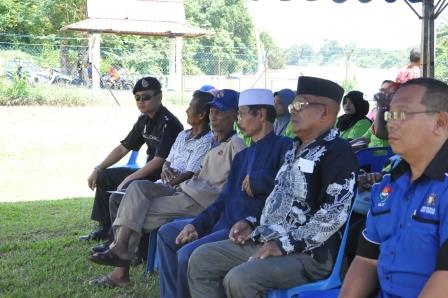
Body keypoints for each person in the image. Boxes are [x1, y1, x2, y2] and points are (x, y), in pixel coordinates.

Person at [188, 76, 358, 298]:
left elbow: (333, 216)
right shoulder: (293, 149)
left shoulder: (338, 152)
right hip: (269, 238)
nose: (292, 111)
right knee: (201, 259)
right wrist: (250, 223)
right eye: (292, 105)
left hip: (309, 254)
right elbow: (277, 200)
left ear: (324, 112)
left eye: (299, 105)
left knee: (240, 279)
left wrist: (282, 245)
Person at [88, 90, 237, 288]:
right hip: (181, 190)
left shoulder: (234, 145)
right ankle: (121, 250)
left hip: (197, 200)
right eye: (212, 112)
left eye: (219, 112)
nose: (213, 116)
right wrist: (168, 169)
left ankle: (120, 263)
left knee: (133, 211)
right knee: (137, 188)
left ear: (234, 115)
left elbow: (230, 188)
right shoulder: (210, 140)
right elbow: (176, 164)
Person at [156, 88, 293, 298]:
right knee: (167, 233)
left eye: (242, 114)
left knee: (186, 255)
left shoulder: (284, 148)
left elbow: (289, 189)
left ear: (262, 114)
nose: (238, 120)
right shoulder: (243, 157)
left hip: (242, 229)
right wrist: (197, 224)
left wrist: (261, 180)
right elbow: (224, 199)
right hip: (220, 222)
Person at [340, 78, 448, 298]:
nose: (391, 123)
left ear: (440, 122)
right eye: (390, 114)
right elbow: (366, 259)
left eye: (402, 114)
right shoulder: (388, 186)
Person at [81, 77, 183, 242]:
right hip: (146, 173)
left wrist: (129, 178)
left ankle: (118, 240)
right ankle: (105, 228)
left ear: (159, 97)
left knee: (127, 184)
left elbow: (158, 161)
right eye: (137, 98)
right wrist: (98, 168)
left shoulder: (169, 123)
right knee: (104, 177)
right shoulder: (144, 120)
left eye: (146, 97)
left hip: (162, 177)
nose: (141, 101)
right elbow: (124, 148)